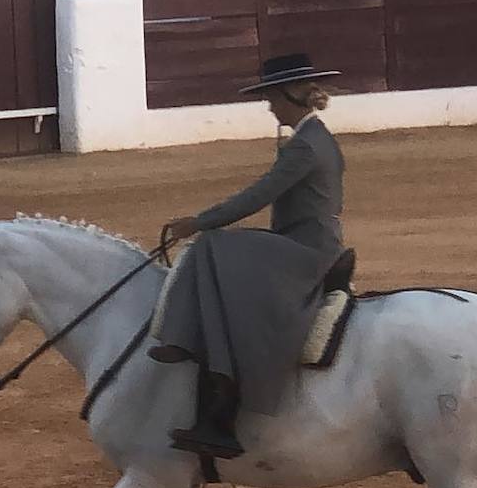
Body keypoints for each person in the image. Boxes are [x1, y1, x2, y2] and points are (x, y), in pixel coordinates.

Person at [148, 53, 349, 460]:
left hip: (306, 251)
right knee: (224, 252)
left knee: (212, 246)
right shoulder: (315, 137)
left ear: (290, 95)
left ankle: (180, 339)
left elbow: (259, 195)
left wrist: (200, 222)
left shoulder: (305, 147)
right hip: (307, 243)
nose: (269, 106)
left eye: (272, 97)